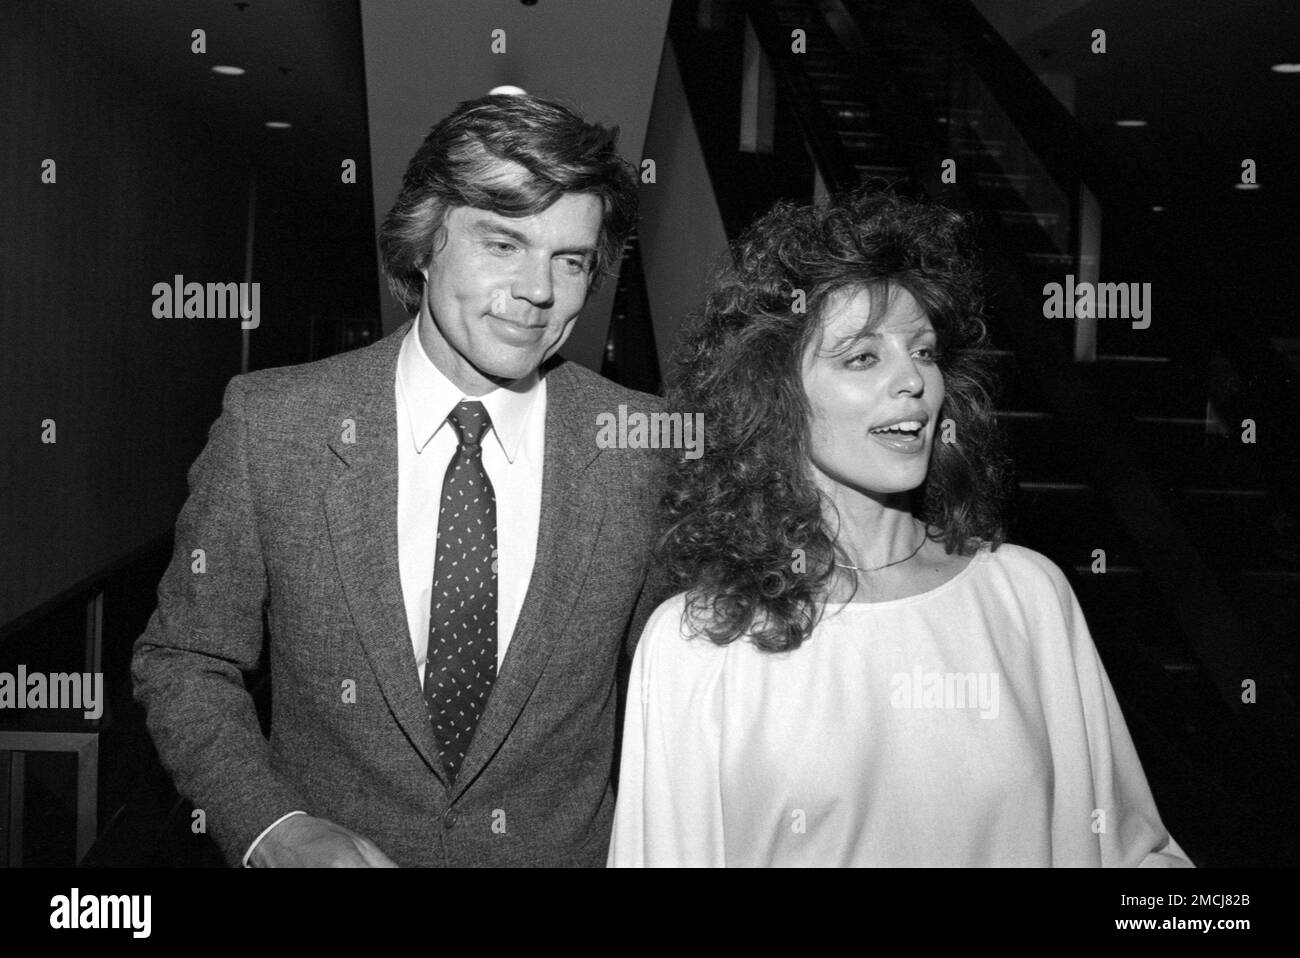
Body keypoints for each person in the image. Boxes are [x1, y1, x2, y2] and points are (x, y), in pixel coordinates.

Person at [132, 92, 672, 867]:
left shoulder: (641, 452)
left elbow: (689, 681)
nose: (540, 291)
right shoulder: (274, 424)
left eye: (571, 260)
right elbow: (184, 660)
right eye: (503, 243)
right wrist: (274, 830)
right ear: (423, 242)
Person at [608, 186, 1193, 867]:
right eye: (862, 357)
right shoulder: (702, 639)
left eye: (923, 350)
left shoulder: (1025, 597)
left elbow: (1132, 856)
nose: (913, 380)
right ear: (775, 396)